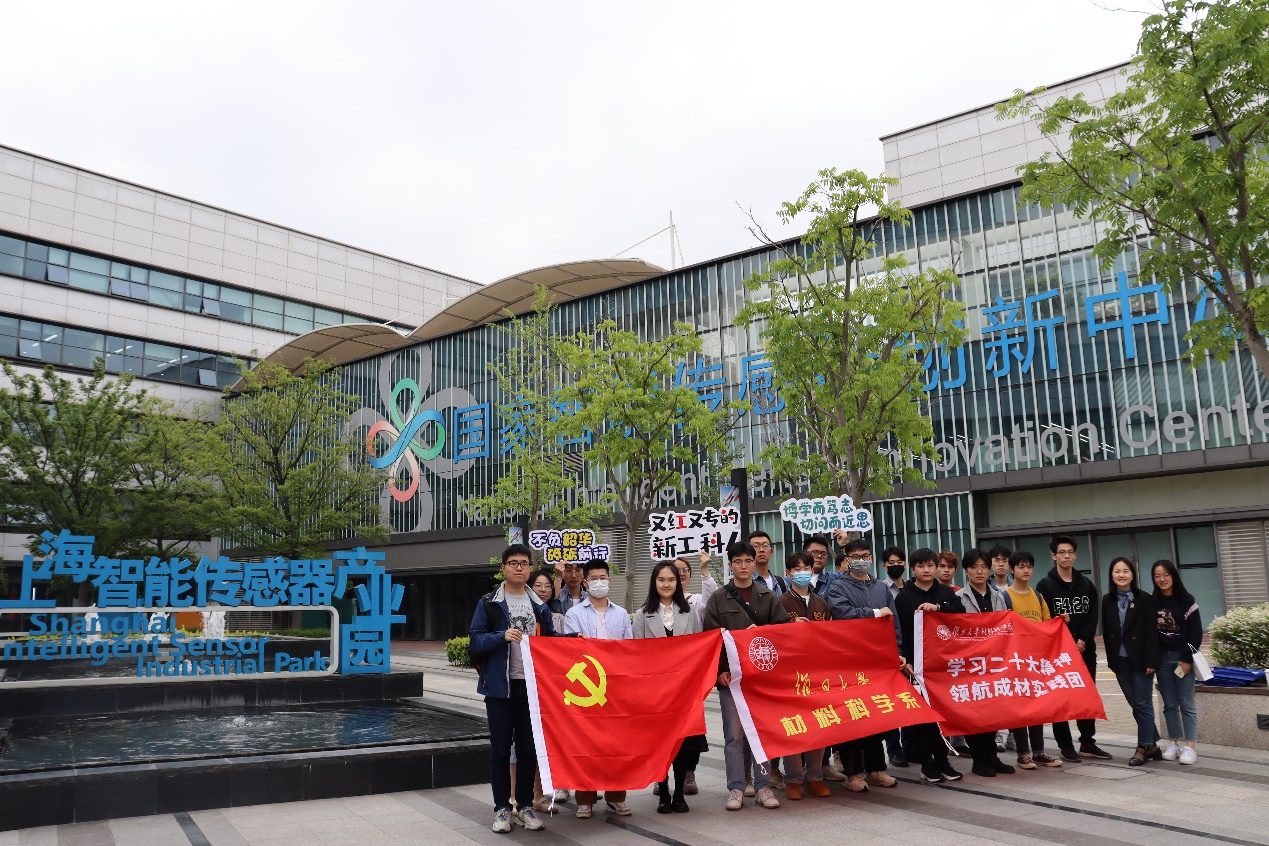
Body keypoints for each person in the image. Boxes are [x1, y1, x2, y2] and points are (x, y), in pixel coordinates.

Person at [468, 544, 559, 832]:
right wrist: (501, 636)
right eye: (513, 562)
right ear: (503, 568)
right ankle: (502, 809)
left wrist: (574, 638)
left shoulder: (539, 605)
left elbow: (551, 640)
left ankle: (526, 806)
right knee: (500, 750)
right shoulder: (489, 602)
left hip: (531, 688)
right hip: (499, 688)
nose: (519, 567)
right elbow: (475, 640)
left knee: (528, 750)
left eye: (523, 563)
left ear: (529, 568)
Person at [703, 540, 792, 811]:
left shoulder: (767, 596)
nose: (743, 566)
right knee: (733, 735)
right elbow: (711, 639)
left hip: (761, 678)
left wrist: (762, 632)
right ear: (730, 565)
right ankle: (736, 787)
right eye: (738, 561)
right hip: (731, 679)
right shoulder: (718, 598)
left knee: (762, 732)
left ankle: (763, 786)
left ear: (755, 563)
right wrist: (720, 671)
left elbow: (784, 633)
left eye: (748, 561)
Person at [825, 539, 899, 792]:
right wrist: (875, 613)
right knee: (852, 716)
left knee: (877, 715)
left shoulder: (881, 587)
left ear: (871, 558)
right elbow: (842, 614)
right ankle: (853, 773)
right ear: (846, 560)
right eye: (855, 556)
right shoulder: (837, 587)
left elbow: (894, 622)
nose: (860, 560)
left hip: (877, 662)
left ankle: (876, 769)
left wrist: (898, 651)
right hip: (849, 662)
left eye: (865, 555)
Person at [634, 562, 708, 813]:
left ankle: (679, 794)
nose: (666, 584)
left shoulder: (689, 612)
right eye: (661, 580)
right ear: (654, 582)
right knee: (660, 743)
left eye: (671, 580)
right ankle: (663, 792)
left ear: (678, 582)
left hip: (684, 690)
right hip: (655, 692)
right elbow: (637, 654)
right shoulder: (643, 614)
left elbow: (698, 649)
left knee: (683, 743)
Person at [565, 559, 634, 817]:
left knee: (617, 744)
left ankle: (616, 797)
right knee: (586, 743)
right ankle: (585, 799)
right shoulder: (574, 614)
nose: (599, 582)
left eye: (603, 578)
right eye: (593, 578)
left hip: (615, 687)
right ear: (585, 582)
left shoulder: (621, 614)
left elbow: (630, 649)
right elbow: (572, 650)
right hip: (587, 688)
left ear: (609, 580)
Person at [1036, 535, 1109, 762]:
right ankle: (1065, 746)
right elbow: (1047, 620)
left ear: (1075, 555)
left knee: (1086, 695)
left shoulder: (1086, 584)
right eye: (1062, 552)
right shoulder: (1045, 585)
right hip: (1059, 653)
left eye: (1070, 552)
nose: (1066, 556)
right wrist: (1071, 641)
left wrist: (1083, 640)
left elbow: (1093, 616)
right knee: (1061, 698)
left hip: (1085, 650)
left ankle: (1087, 742)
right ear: (1054, 556)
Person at [894, 547, 963, 784]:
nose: (926, 570)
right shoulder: (904, 597)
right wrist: (905, 659)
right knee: (923, 717)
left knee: (942, 714)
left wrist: (938, 609)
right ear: (912, 569)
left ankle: (943, 761)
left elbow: (961, 614)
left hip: (944, 664)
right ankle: (926, 763)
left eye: (930, 565)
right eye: (921, 566)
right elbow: (899, 631)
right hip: (917, 667)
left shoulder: (944, 591)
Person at [775, 552, 834, 800]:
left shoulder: (821, 603)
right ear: (788, 573)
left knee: (819, 725)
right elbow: (771, 637)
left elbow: (832, 637)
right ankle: (793, 779)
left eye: (806, 568)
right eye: (796, 569)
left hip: (818, 675)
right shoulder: (780, 602)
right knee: (794, 727)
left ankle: (814, 777)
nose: (802, 573)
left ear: (812, 571)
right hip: (791, 676)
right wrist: (789, 629)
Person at [957, 549, 1016, 778]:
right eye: (974, 567)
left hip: (993, 662)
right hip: (970, 664)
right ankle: (979, 760)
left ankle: (992, 757)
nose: (979, 571)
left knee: (993, 711)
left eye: (983, 567)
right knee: (974, 714)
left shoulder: (998, 597)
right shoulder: (959, 598)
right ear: (966, 571)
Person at [1004, 551, 1062, 770]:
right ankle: (1023, 754)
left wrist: (1060, 622)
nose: (1026, 570)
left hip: (1036, 661)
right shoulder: (1004, 597)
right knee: (1019, 709)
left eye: (1029, 566)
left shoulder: (1037, 596)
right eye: (1021, 566)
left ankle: (1038, 752)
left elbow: (1047, 626)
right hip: (1015, 662)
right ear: (1012, 570)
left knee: (1037, 707)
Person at [1103, 556, 1162, 767]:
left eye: (1125, 571)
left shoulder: (1144, 598)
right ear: (1112, 575)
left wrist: (1152, 660)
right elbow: (1107, 631)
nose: (1121, 575)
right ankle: (1153, 745)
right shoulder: (1107, 600)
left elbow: (1152, 632)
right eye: (1117, 571)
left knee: (1143, 703)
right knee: (1135, 704)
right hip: (1119, 661)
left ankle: (1143, 747)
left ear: (1133, 574)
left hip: (1141, 660)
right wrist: (1111, 661)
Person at [527, 570, 570, 810]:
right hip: (522, 684)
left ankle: (539, 795)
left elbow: (557, 643)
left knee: (544, 741)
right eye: (538, 585)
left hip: (548, 688)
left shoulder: (553, 616)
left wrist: (574, 638)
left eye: (547, 586)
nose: (544, 590)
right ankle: (514, 799)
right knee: (519, 746)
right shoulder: (518, 612)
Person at [1151, 559, 1202, 765]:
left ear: (1173, 575)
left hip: (1183, 659)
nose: (1162, 579)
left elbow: (1196, 633)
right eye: (1157, 576)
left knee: (1186, 703)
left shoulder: (1187, 600)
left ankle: (1190, 746)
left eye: (1166, 574)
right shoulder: (1152, 602)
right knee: (1169, 704)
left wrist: (1186, 658)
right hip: (1162, 660)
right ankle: (1173, 742)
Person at [881, 545, 909, 768]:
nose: (896, 566)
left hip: (910, 650)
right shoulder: (881, 590)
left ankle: (909, 746)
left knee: (909, 701)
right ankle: (894, 749)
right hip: (889, 652)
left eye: (899, 562)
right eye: (891, 563)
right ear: (884, 566)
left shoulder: (911, 588)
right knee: (890, 703)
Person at [748, 530, 786, 596]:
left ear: (772, 551)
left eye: (765, 545)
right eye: (756, 546)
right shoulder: (744, 582)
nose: (761, 550)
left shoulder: (781, 583)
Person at [803, 534, 839, 598]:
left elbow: (851, 575)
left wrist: (843, 546)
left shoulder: (832, 580)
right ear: (804, 553)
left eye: (823, 554)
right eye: (814, 552)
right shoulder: (790, 581)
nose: (819, 556)